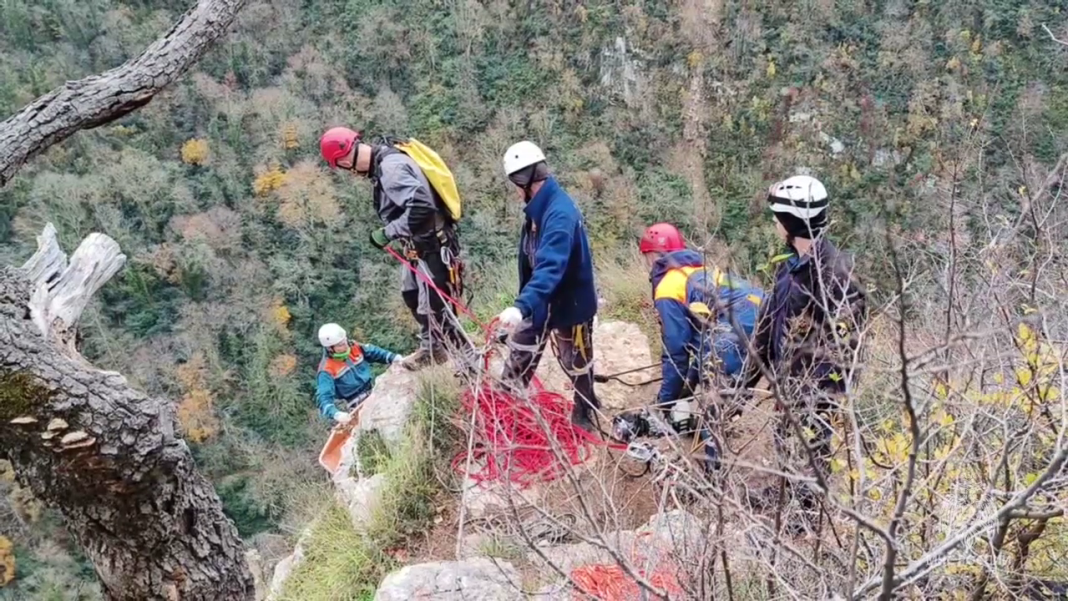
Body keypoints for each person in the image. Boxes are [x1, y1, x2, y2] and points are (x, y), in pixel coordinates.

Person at [745, 175, 867, 476]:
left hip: (811, 394)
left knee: (809, 460)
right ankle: (789, 510)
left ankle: (804, 520)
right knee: (787, 451)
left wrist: (813, 398)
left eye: (778, 217)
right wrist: (742, 388)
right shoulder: (790, 269)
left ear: (790, 222)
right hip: (788, 387)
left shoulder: (836, 275)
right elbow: (765, 328)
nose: (775, 223)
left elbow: (846, 347)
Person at [319, 127, 470, 370]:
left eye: (342, 166)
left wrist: (388, 232)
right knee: (411, 294)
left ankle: (469, 363)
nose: (349, 172)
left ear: (345, 160)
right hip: (419, 247)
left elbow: (422, 207)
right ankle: (433, 349)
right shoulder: (386, 161)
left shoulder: (390, 169)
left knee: (436, 309)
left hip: (432, 247)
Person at [495, 141, 601, 431]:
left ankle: (585, 408)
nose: (515, 191)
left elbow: (550, 266)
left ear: (524, 180)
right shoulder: (538, 209)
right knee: (520, 352)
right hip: (540, 300)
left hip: (569, 303)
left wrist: (521, 306)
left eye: (515, 184)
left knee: (576, 362)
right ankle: (505, 411)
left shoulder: (558, 214)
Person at [639, 223, 764, 430]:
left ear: (652, 255)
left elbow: (676, 352)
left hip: (738, 322)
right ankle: (716, 427)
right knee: (726, 386)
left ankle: (711, 457)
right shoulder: (698, 271)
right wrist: (685, 392)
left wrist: (663, 403)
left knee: (715, 400)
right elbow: (700, 346)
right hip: (763, 309)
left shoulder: (668, 287)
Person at [315, 323, 405, 425]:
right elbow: (324, 399)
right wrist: (336, 414)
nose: (345, 345)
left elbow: (374, 352)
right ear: (330, 349)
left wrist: (394, 357)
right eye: (340, 345)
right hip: (355, 404)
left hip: (373, 391)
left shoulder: (354, 347)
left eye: (345, 340)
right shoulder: (326, 370)